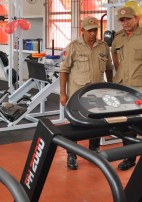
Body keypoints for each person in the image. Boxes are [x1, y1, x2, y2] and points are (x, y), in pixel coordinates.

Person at [59, 16, 113, 170]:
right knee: (74, 125)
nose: (93, 33)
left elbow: (109, 67)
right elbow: (64, 71)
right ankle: (71, 155)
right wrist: (63, 94)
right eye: (89, 31)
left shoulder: (103, 46)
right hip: (77, 94)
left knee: (97, 123)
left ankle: (94, 151)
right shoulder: (73, 47)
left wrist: (110, 87)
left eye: (95, 30)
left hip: (97, 94)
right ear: (82, 31)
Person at [111, 6, 142, 171]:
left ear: (136, 19)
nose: (125, 23)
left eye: (128, 19)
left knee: (140, 122)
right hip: (122, 86)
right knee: (126, 122)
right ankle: (129, 158)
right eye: (122, 20)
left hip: (139, 86)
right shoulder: (119, 37)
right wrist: (119, 71)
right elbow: (114, 54)